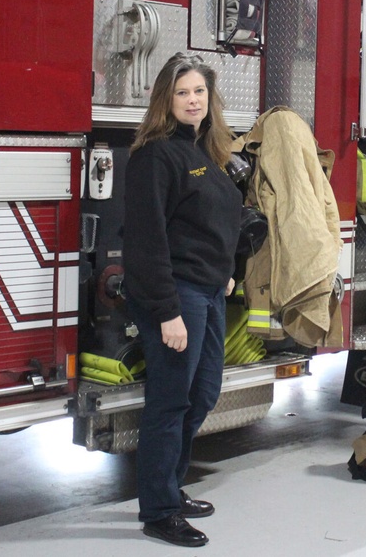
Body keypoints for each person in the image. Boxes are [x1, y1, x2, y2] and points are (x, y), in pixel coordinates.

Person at [123, 53, 242, 548]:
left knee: (204, 393)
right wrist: (168, 311)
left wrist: (226, 273)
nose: (193, 101)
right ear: (165, 101)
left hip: (209, 291)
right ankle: (159, 510)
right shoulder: (157, 155)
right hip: (177, 295)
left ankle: (171, 484)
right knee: (170, 403)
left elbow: (210, 224)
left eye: (199, 92)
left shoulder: (205, 151)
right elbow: (147, 240)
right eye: (183, 93)